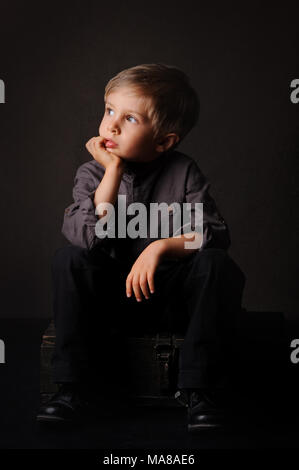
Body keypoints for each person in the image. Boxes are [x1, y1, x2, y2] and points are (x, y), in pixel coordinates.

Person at [36, 63, 246, 432]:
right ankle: (71, 388)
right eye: (109, 111)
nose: (111, 125)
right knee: (69, 258)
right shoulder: (93, 173)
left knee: (216, 265)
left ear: (164, 141)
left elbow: (213, 233)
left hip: (170, 301)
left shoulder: (183, 172)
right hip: (112, 303)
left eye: (130, 118)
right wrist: (112, 171)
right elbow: (87, 236)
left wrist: (161, 247)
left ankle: (200, 390)